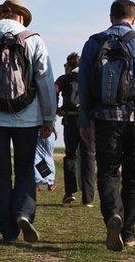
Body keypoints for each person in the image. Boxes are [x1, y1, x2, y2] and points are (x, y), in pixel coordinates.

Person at [78, 0, 135, 251]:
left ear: (110, 17)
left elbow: (84, 85)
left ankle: (112, 216)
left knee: (108, 173)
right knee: (134, 177)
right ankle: (128, 232)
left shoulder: (93, 43)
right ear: (134, 18)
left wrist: (84, 120)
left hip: (105, 120)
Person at [0, 0, 56, 244]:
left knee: (1, 172)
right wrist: (48, 118)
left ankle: (7, 231)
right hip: (28, 116)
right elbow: (45, 81)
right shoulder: (34, 39)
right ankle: (23, 214)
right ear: (21, 18)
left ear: (1, 16)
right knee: (25, 167)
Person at [56, 53, 96, 206]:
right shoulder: (90, 77)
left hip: (70, 120)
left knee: (71, 155)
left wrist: (56, 109)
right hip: (89, 121)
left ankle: (70, 192)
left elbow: (54, 89)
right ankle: (88, 197)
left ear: (68, 65)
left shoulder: (64, 79)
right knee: (89, 157)